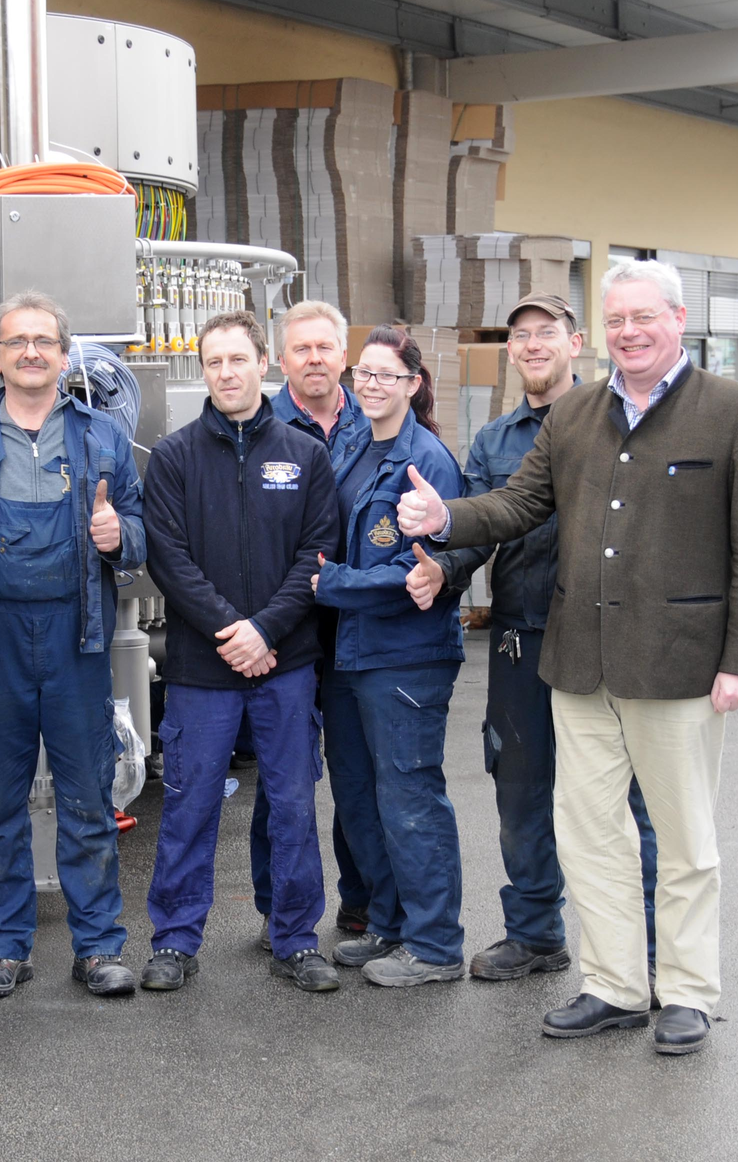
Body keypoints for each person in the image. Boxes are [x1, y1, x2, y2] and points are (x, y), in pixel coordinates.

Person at [399, 260, 738, 1055]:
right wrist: (447, 515)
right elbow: (519, 504)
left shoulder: (736, 412)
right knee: (590, 834)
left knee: (682, 840)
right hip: (578, 664)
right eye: (617, 320)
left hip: (678, 664)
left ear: (679, 320)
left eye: (644, 317)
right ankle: (614, 984)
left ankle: (685, 991)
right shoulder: (574, 414)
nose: (630, 332)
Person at [415, 294, 660, 989]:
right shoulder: (496, 441)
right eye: (520, 336)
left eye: (545, 332)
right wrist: (443, 567)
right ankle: (535, 934)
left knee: (626, 802)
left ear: (574, 343)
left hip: (607, 641)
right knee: (521, 794)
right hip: (523, 640)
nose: (531, 345)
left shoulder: (616, 424)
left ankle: (645, 951)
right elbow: (482, 526)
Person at [0, 293, 146, 1000]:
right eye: (16, 341)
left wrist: (121, 537)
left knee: (87, 795)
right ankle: (3, 948)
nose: (30, 352)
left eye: (44, 341)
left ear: (65, 355)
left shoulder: (103, 438)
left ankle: (96, 947)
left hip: (77, 634)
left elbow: (141, 522)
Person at [140, 309, 341, 993]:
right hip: (202, 668)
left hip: (285, 665)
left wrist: (266, 632)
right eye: (214, 362)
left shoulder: (305, 454)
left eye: (238, 359)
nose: (226, 373)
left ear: (265, 364)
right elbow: (169, 559)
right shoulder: (172, 458)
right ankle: (174, 940)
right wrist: (233, 631)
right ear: (204, 371)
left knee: (290, 804)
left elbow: (317, 556)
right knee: (192, 804)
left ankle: (293, 936)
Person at [311, 325, 468, 988]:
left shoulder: (425, 460)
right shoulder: (350, 444)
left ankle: (434, 945)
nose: (372, 385)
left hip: (404, 655)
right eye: (364, 374)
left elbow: (417, 570)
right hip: (349, 651)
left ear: (413, 384)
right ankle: (389, 922)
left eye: (387, 375)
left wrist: (332, 584)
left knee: (409, 794)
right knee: (359, 794)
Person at [245, 300, 372, 940]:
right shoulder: (257, 424)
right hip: (285, 628)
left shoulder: (375, 422)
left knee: (354, 770)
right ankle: (278, 905)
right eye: (301, 349)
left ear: (342, 355)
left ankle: (361, 901)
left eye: (325, 347)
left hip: (355, 624)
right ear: (281, 358)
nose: (315, 359)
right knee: (281, 776)